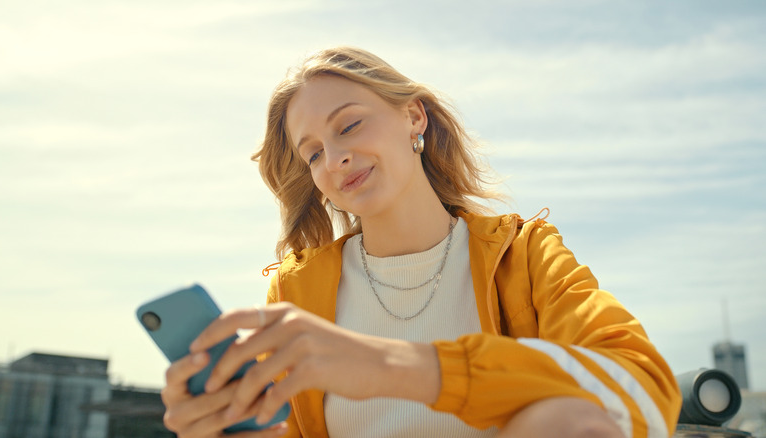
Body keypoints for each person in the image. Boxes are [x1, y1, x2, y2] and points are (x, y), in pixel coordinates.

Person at [161, 46, 682, 438]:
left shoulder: (524, 256)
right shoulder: (297, 295)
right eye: (313, 153)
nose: (335, 157)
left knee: (568, 420)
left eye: (350, 125)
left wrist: (393, 367)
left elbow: (645, 391)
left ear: (414, 117)